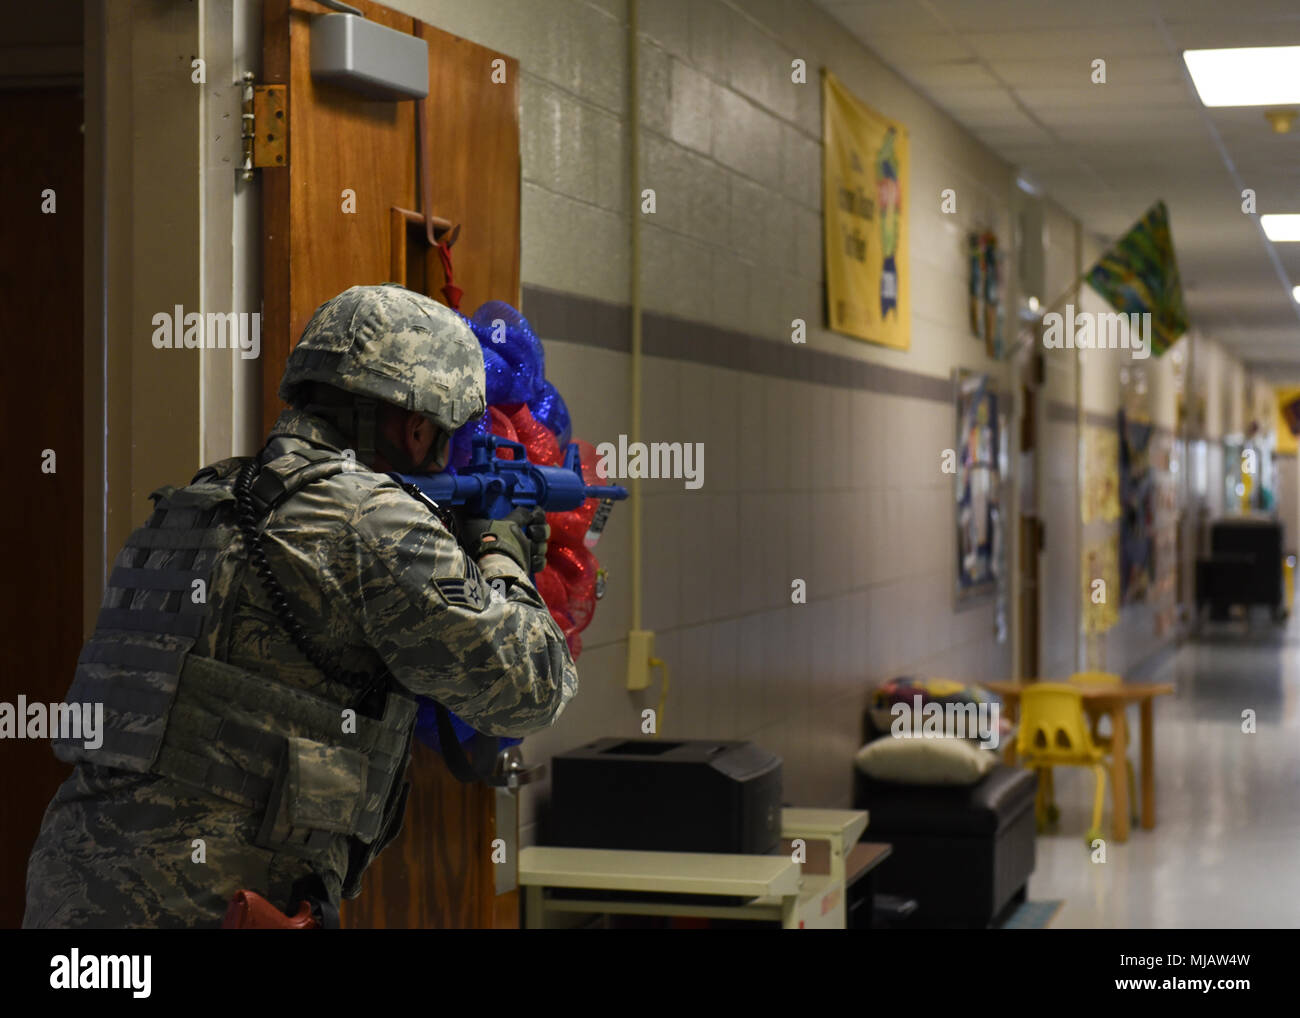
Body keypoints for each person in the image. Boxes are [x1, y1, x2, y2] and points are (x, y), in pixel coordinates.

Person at [23, 284, 577, 928]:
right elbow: (531, 687)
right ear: (416, 425)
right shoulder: (374, 519)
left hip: (73, 891)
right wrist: (499, 547)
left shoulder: (199, 498)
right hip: (207, 903)